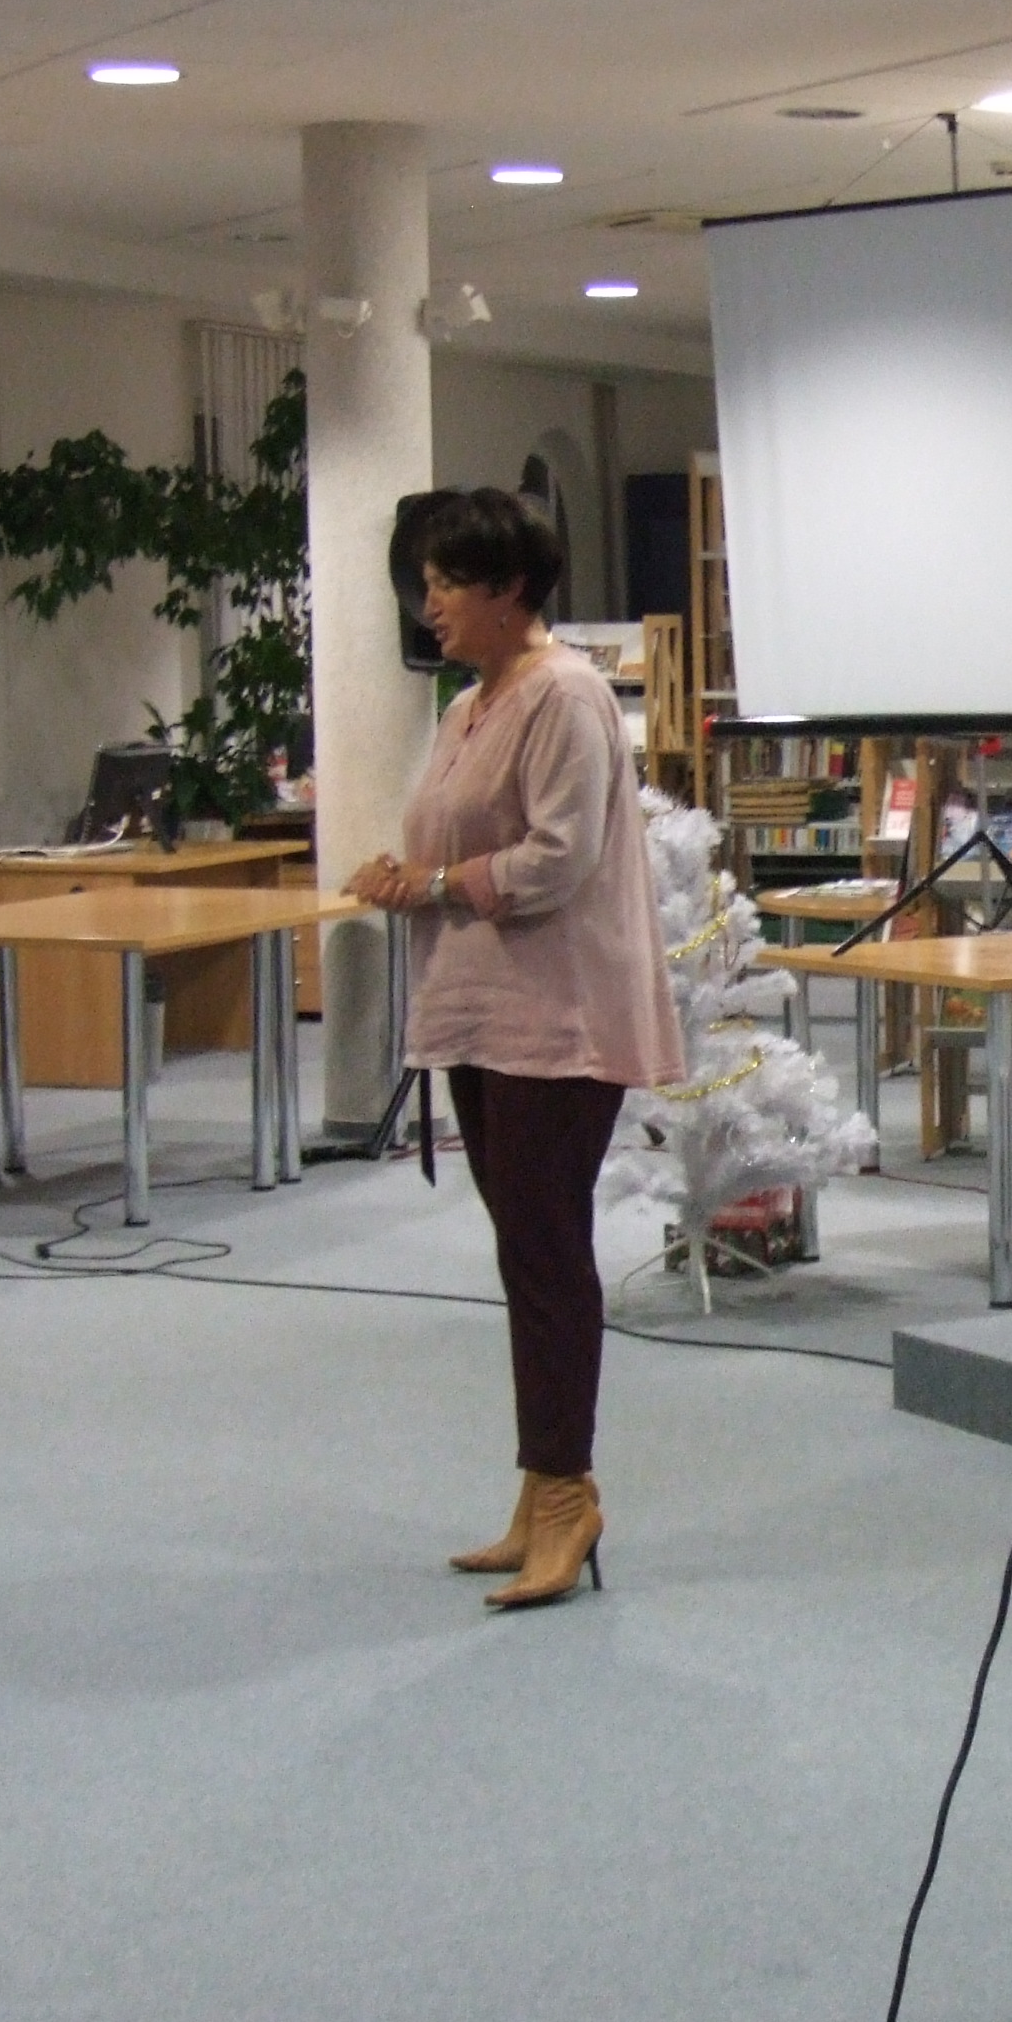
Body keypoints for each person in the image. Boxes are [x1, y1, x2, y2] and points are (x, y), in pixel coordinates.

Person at [346, 490, 682, 1610]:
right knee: (524, 1256)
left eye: (449, 582)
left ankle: (569, 1494)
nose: (429, 602)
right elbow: (452, 846)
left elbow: (556, 858)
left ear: (511, 590)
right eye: (426, 581)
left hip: (557, 1017)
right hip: (483, 1010)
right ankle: (540, 1492)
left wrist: (438, 883)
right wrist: (408, 879)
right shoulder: (468, 703)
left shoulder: (566, 694)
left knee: (545, 1259)